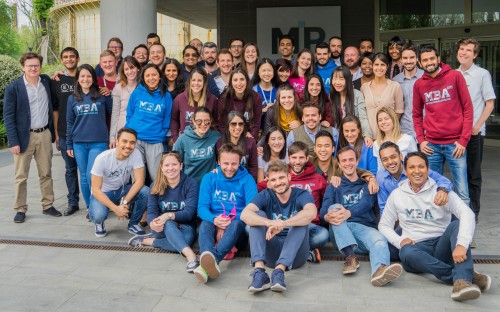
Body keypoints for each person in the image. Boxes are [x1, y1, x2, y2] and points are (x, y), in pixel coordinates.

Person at [379, 152, 491, 302]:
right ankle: (464, 276)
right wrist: (398, 241)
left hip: (441, 245)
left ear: (427, 169)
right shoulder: (397, 195)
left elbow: (467, 214)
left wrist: (462, 244)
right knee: (406, 251)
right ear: (405, 171)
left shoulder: (441, 192)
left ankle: (462, 284)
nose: (417, 171)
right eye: (412, 167)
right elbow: (384, 224)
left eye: (421, 167)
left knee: (456, 224)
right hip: (416, 249)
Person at [321, 146, 403, 286]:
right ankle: (350, 257)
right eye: (344, 161)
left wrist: (349, 212)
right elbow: (323, 211)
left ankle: (379, 270)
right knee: (334, 208)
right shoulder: (334, 185)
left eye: (351, 159)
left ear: (357, 161)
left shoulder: (367, 183)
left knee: (379, 240)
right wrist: (327, 217)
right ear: (339, 164)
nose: (348, 163)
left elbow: (366, 203)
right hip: (341, 232)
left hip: (364, 229)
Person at [241, 160, 317, 292]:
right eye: (274, 179)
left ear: (289, 177)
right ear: (269, 182)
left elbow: (311, 213)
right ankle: (260, 272)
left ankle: (279, 272)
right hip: (272, 251)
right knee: (257, 216)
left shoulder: (301, 194)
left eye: (281, 177)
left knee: (301, 219)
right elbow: (245, 214)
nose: (278, 182)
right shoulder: (266, 194)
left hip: (296, 255)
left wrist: (284, 224)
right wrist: (268, 222)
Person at [413, 45, 473, 205]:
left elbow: (468, 109)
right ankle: (438, 225)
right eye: (425, 60)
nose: (429, 62)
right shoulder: (419, 85)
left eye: (432, 58)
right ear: (420, 63)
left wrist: (463, 140)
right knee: (432, 187)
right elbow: (417, 114)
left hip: (455, 145)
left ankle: (463, 227)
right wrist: (421, 140)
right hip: (431, 145)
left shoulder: (455, 76)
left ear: (438, 59)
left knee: (461, 191)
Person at [4, 52, 60, 223]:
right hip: (23, 137)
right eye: (30, 66)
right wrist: (13, 141)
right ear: (23, 67)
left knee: (46, 173)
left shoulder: (46, 82)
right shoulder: (14, 88)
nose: (33, 68)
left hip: (44, 134)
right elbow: (8, 116)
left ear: (40, 66)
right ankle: (20, 208)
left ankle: (48, 205)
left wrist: (60, 75)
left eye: (36, 65)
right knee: (21, 176)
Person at [194, 143, 258, 284]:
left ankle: (209, 262)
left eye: (234, 164)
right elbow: (202, 208)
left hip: (236, 228)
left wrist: (227, 222)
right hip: (214, 222)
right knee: (205, 224)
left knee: (235, 224)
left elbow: (252, 209)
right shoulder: (209, 178)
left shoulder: (247, 180)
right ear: (218, 162)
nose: (229, 168)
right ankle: (208, 264)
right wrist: (215, 220)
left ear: (240, 162)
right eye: (226, 163)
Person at [128, 152, 200, 272]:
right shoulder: (155, 185)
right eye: (167, 165)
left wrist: (168, 215)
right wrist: (152, 223)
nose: (170, 168)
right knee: (169, 223)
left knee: (184, 241)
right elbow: (151, 211)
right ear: (161, 168)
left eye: (174, 164)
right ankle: (191, 256)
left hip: (186, 226)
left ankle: (148, 241)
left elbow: (189, 213)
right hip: (162, 227)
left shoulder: (190, 184)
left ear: (181, 165)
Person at [456, 37, 496, 222]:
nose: (464, 52)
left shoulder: (482, 74)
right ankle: (459, 212)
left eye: (469, 50)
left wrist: (477, 126)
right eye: (462, 49)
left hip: (474, 134)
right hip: (455, 134)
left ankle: (473, 215)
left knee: (473, 175)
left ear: (475, 55)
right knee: (458, 174)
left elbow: (489, 103)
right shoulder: (453, 75)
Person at [66, 64, 112, 217]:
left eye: (88, 76)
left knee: (94, 175)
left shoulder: (102, 95)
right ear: (78, 79)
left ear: (93, 78)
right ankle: (89, 206)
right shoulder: (72, 98)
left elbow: (113, 114)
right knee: (84, 176)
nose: (85, 79)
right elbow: (70, 123)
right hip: (79, 143)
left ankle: (97, 205)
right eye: (82, 76)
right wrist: (69, 143)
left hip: (98, 142)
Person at [89, 128, 149, 237]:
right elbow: (96, 190)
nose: (128, 146)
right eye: (124, 141)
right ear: (117, 141)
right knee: (98, 215)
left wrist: (125, 202)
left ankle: (133, 223)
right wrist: (116, 209)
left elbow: (140, 181)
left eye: (132, 143)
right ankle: (99, 223)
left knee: (145, 191)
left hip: (122, 191)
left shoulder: (136, 154)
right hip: (103, 193)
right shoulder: (102, 158)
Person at [376, 142, 452, 215]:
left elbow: (443, 180)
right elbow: (384, 206)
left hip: (425, 210)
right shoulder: (381, 176)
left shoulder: (415, 169)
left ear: (401, 156)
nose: (390, 162)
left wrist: (443, 190)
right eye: (385, 159)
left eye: (393, 157)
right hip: (402, 216)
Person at [125, 63, 172, 181]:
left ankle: (157, 199)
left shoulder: (166, 96)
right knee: (137, 178)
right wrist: (130, 132)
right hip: (136, 140)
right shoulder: (137, 92)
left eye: (154, 75)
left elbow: (167, 119)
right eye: (148, 76)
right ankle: (139, 200)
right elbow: (129, 114)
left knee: (157, 177)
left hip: (155, 140)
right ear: (143, 78)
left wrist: (161, 134)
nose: (151, 78)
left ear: (160, 76)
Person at [50, 47, 80, 216]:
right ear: (62, 60)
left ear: (77, 58)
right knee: (70, 170)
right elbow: (55, 109)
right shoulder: (56, 81)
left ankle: (93, 203)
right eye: (66, 57)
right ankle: (72, 202)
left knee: (87, 170)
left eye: (72, 56)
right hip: (64, 133)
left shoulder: (84, 76)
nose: (69, 59)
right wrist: (56, 134)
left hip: (84, 133)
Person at [361, 53, 404, 139]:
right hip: (369, 138)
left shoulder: (395, 86)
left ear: (387, 67)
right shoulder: (364, 88)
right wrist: (366, 134)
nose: (379, 68)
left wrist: (389, 132)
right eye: (376, 65)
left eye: (382, 65)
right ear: (372, 66)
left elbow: (398, 112)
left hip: (389, 136)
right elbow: (362, 114)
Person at [173, 107, 221, 183]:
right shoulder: (183, 139)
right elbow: (174, 162)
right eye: (199, 121)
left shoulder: (216, 136)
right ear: (193, 121)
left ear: (211, 121)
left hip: (209, 183)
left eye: (207, 121)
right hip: (189, 184)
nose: (203, 124)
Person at [171, 68, 218, 143]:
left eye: (199, 80)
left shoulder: (212, 100)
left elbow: (216, 122)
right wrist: (176, 138)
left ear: (204, 82)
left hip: (205, 142)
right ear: (189, 81)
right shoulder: (180, 98)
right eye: (193, 80)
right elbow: (174, 119)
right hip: (185, 142)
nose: (196, 83)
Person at [217, 68, 262, 139]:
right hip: (229, 138)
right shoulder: (224, 98)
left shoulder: (256, 98)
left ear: (247, 81)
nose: (239, 83)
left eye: (242, 79)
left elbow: (256, 125)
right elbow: (221, 125)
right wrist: (232, 139)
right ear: (231, 83)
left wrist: (251, 139)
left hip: (248, 137)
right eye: (235, 80)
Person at [330, 66, 372, 140]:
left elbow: (363, 118)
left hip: (354, 136)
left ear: (348, 80)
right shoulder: (332, 96)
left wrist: (367, 135)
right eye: (334, 78)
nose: (337, 82)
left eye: (341, 79)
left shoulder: (357, 95)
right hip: (339, 138)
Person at [392, 44, 423, 139]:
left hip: (425, 132)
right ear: (401, 60)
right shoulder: (395, 81)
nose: (408, 61)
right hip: (404, 133)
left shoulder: (426, 77)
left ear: (417, 58)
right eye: (405, 58)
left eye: (412, 57)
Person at [216, 111, 258, 180]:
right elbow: (218, 165)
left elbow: (253, 167)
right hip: (225, 181)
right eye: (233, 124)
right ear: (228, 126)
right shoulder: (220, 143)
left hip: (244, 181)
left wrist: (249, 183)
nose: (237, 127)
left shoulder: (250, 142)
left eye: (241, 124)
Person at [110, 56, 140, 147]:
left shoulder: (143, 87)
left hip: (140, 131)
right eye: (126, 69)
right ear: (123, 71)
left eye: (132, 68)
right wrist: (112, 137)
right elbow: (115, 113)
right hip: (123, 130)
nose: (130, 71)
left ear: (138, 68)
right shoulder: (118, 88)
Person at [252, 58, 278, 127]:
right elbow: (249, 114)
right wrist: (263, 110)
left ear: (273, 72)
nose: (266, 73)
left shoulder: (279, 89)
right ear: (258, 72)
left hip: (276, 128)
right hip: (258, 128)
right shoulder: (253, 90)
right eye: (263, 70)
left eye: (269, 70)